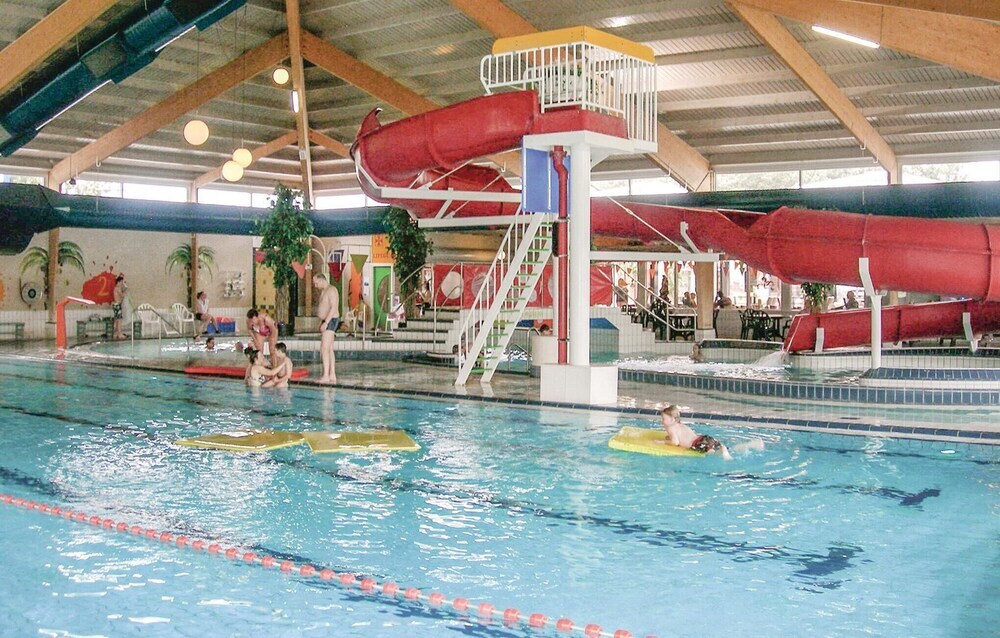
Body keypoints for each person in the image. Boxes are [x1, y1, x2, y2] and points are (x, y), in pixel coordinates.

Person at [659, 405, 732, 460]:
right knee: (716, 447)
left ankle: (723, 449)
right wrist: (670, 437)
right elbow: (681, 436)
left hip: (696, 444)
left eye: (663, 419)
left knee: (713, 453)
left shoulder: (670, 428)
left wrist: (663, 442)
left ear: (672, 419)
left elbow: (675, 442)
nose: (661, 421)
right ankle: (725, 448)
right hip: (704, 438)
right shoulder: (680, 425)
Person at [312, 274, 340, 384]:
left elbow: (333, 307)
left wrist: (326, 322)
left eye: (316, 283)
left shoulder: (332, 290)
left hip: (331, 320)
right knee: (329, 349)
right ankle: (332, 374)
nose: (315, 286)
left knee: (324, 348)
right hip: (327, 320)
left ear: (321, 280)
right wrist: (322, 321)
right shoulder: (325, 290)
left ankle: (326, 376)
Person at [112, 274, 128, 340]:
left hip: (115, 305)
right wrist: (126, 289)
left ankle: (115, 333)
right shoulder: (117, 288)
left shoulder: (115, 288)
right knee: (119, 320)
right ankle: (120, 334)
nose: (122, 283)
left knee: (116, 319)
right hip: (117, 305)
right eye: (121, 282)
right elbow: (122, 295)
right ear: (118, 282)